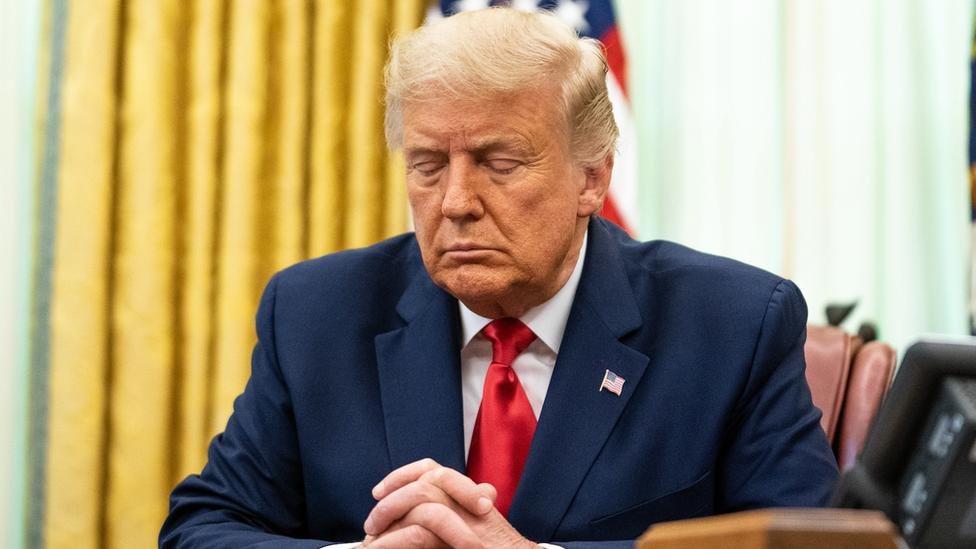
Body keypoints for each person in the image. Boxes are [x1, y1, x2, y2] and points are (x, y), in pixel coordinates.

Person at [160, 8, 838, 549]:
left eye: (499, 162)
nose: (456, 200)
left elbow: (809, 544)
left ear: (592, 176)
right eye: (428, 164)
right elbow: (201, 527)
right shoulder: (316, 314)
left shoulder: (731, 323)